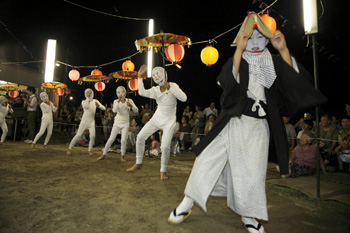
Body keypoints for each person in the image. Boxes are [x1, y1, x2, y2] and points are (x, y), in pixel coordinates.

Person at [167, 12, 326, 232]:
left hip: (258, 127)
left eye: (261, 37)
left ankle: (249, 216)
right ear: (242, 39)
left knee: (253, 172)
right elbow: (227, 83)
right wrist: (239, 51)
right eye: (249, 38)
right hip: (231, 122)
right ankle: (188, 201)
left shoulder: (275, 62)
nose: (255, 42)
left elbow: (296, 83)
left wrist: (283, 49)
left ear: (268, 39)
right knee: (207, 158)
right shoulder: (239, 59)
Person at [127, 65, 187, 180]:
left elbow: (184, 98)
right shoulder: (155, 90)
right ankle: (139, 163)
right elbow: (142, 93)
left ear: (164, 74)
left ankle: (163, 171)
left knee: (164, 147)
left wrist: (170, 87)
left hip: (169, 121)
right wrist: (139, 77)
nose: (156, 76)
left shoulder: (173, 85)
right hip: (156, 118)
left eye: (158, 74)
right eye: (154, 75)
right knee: (140, 137)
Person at [97, 86, 138, 162]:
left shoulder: (129, 100)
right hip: (117, 122)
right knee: (111, 139)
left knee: (123, 140)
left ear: (125, 92)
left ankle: (122, 156)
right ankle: (104, 154)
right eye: (119, 92)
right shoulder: (116, 101)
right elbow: (114, 110)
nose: (121, 94)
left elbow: (136, 110)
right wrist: (119, 101)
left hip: (125, 123)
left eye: (122, 92)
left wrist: (131, 106)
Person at [66, 88, 105, 155]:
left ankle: (90, 150)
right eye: (88, 93)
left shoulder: (95, 101)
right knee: (78, 135)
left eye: (91, 92)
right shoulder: (84, 101)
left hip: (91, 122)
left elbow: (104, 108)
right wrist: (88, 99)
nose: (90, 94)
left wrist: (99, 106)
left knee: (92, 136)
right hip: (84, 121)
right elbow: (86, 106)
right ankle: (69, 148)